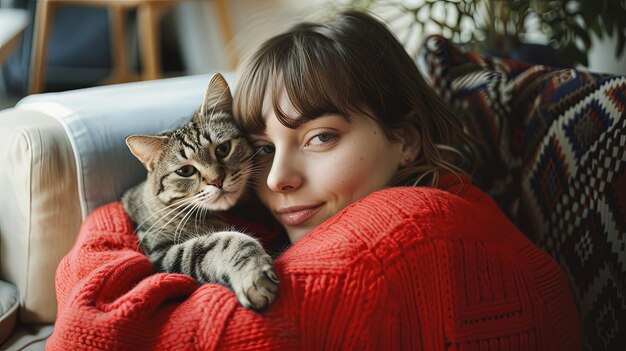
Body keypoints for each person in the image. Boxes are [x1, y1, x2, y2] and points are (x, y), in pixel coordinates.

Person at [48, 10, 582, 350]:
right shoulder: (435, 196)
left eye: (320, 137)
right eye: (262, 147)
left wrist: (108, 225)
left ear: (406, 138)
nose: (277, 179)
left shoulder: (389, 243)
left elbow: (88, 336)